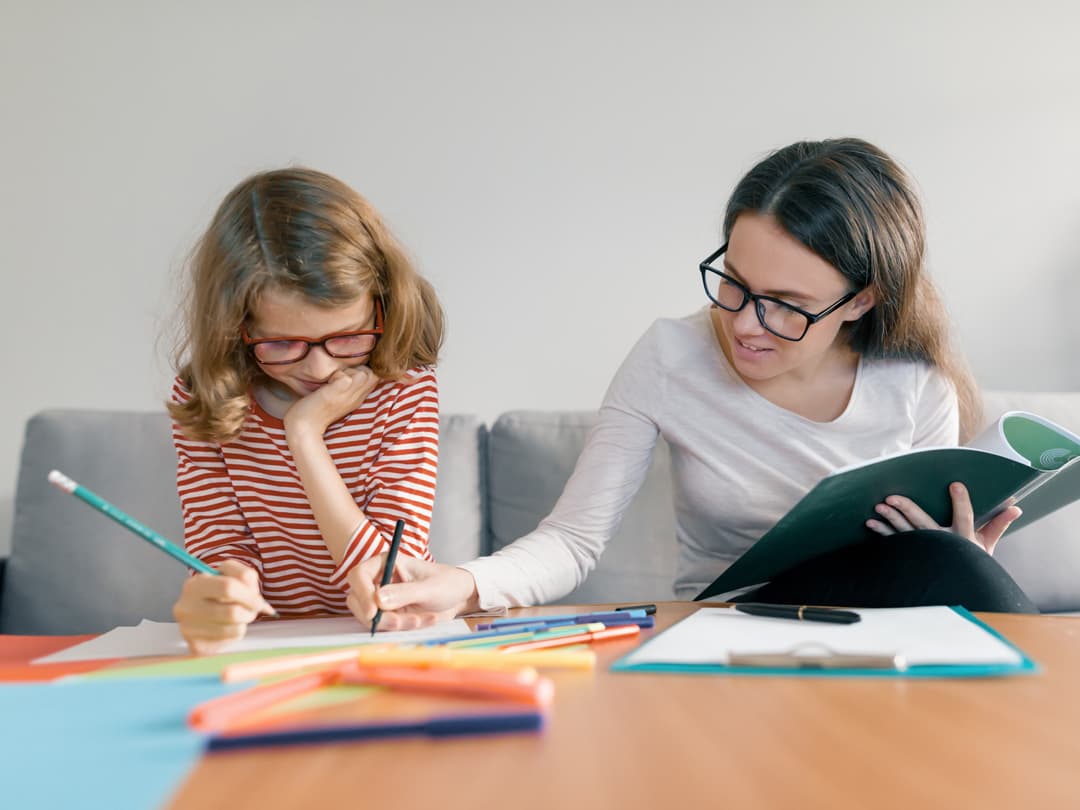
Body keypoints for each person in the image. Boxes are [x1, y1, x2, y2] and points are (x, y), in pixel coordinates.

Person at [347, 137, 1037, 631]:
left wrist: (953, 552)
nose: (745, 325)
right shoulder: (670, 358)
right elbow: (574, 540)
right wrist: (464, 583)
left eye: (787, 305)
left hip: (878, 631)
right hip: (734, 622)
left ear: (861, 300)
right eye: (733, 286)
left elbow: (931, 577)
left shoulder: (914, 386)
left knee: (944, 558)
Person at [167, 167, 444, 653]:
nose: (319, 367)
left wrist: (305, 434)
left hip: (387, 644)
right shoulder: (202, 397)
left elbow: (386, 567)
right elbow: (220, 545)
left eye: (348, 336)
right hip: (267, 648)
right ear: (235, 329)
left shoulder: (403, 387)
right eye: (281, 344)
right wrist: (225, 589)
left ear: (381, 306)